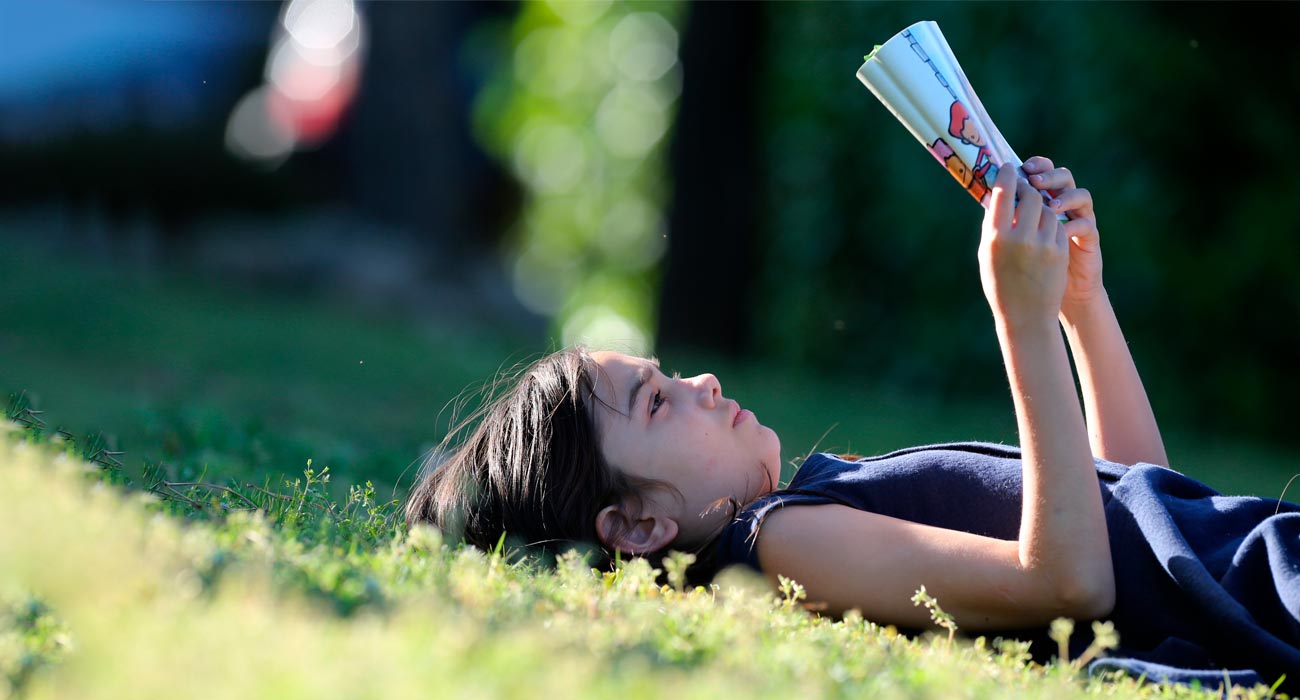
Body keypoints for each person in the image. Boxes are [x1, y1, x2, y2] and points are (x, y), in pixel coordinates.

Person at [404, 158, 1300, 689]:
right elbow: (1072, 585)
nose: (702, 382)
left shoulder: (813, 502)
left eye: (669, 374)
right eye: (657, 400)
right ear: (638, 527)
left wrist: (1080, 307)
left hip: (1255, 564)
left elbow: (1146, 504)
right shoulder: (779, 541)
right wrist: (1019, 325)